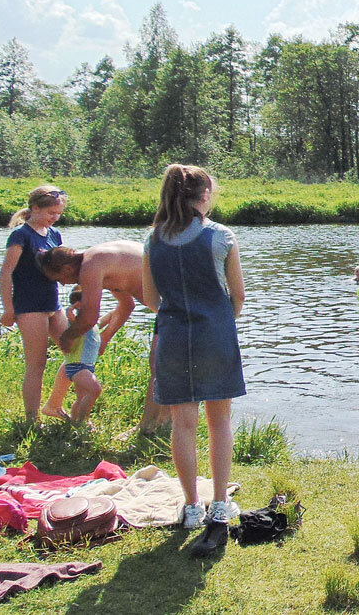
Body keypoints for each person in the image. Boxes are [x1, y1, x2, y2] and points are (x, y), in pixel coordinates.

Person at [142, 164, 246, 557]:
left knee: (182, 425)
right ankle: (220, 503)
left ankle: (190, 508)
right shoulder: (221, 236)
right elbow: (238, 296)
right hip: (214, 334)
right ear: (204, 196)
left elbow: (152, 301)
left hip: (172, 336)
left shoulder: (153, 239)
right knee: (219, 422)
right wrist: (217, 320)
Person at [36, 241, 170, 433]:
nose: (63, 284)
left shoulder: (90, 266)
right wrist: (105, 337)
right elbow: (127, 305)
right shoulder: (101, 260)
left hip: (177, 304)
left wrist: (66, 338)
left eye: (58, 279)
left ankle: (150, 427)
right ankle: (159, 425)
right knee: (161, 365)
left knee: (159, 365)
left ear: (66, 268)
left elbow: (90, 317)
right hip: (169, 307)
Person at [0, 185, 69, 422]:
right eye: (51, 213)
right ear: (35, 208)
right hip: (29, 307)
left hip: (53, 304)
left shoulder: (54, 235)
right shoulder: (21, 235)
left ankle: (54, 405)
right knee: (37, 363)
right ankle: (32, 419)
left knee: (75, 353)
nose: (54, 218)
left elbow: (59, 269)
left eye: (58, 214)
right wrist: (9, 309)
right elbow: (6, 273)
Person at [62, 288, 119, 424]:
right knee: (95, 390)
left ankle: (74, 421)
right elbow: (71, 322)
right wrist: (70, 310)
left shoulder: (92, 323)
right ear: (79, 305)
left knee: (82, 397)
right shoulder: (77, 322)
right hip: (77, 366)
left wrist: (121, 295)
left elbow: (112, 315)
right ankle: (82, 422)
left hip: (85, 366)